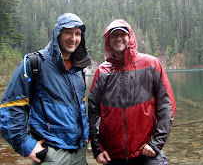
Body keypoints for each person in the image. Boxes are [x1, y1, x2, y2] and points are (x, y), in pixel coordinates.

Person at [0, 13, 91, 164]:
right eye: (68, 32)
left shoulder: (78, 69)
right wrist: (27, 145)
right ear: (57, 34)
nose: (73, 38)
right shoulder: (34, 63)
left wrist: (85, 134)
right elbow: (11, 107)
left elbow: (81, 106)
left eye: (77, 34)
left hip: (79, 153)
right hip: (51, 153)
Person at [88, 19, 176, 165]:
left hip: (146, 152)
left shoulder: (151, 64)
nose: (118, 38)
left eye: (122, 34)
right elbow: (93, 112)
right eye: (114, 35)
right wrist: (97, 149)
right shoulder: (102, 71)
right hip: (113, 155)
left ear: (130, 37)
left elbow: (167, 107)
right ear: (108, 41)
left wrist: (156, 144)